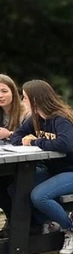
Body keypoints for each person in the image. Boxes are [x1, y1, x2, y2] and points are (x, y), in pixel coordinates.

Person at [9, 80, 73, 254]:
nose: (22, 100)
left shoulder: (61, 118)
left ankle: (72, 230)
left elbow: (65, 144)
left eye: (25, 97)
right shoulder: (36, 119)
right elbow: (16, 136)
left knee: (39, 196)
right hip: (56, 173)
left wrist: (34, 141)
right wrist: (25, 139)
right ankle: (51, 221)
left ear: (35, 100)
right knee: (15, 188)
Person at [0, 74, 27, 224]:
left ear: (13, 92)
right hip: (7, 161)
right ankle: (13, 221)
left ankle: (18, 224)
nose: (0, 96)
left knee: (6, 184)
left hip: (27, 163)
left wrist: (9, 134)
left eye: (4, 91)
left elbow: (33, 138)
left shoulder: (25, 113)